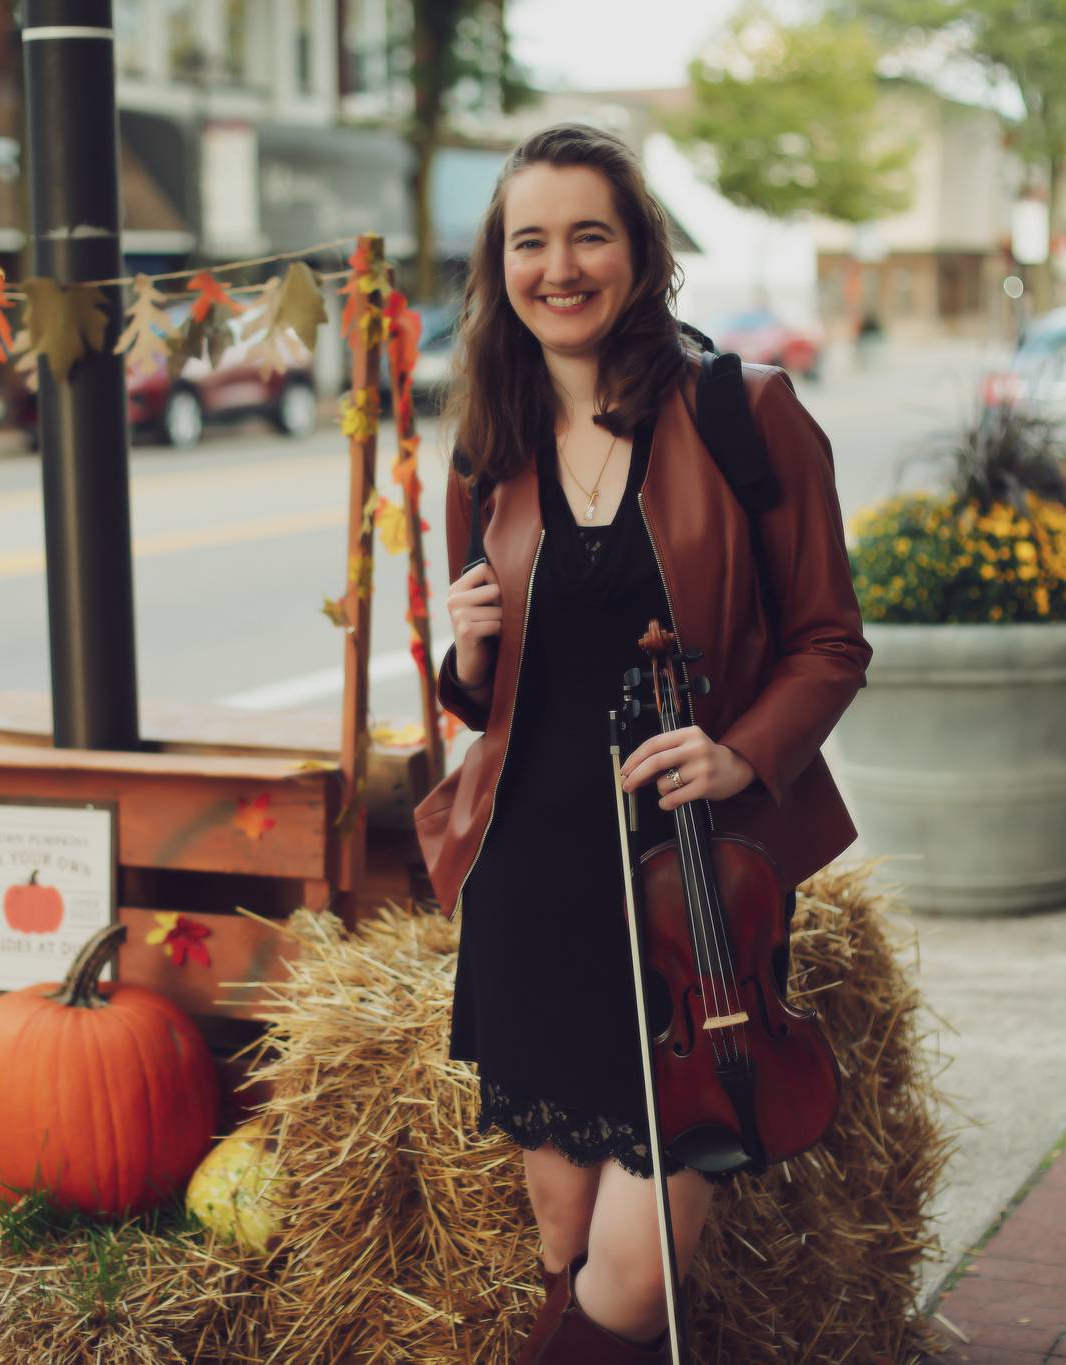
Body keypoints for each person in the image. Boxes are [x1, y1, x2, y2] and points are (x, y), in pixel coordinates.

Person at [412, 123, 871, 1364]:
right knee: (564, 1235)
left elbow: (831, 642)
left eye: (587, 235)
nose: (557, 267)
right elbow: (488, 704)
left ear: (639, 253)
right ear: (497, 266)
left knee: (628, 1273)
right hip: (531, 893)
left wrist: (741, 753)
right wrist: (462, 655)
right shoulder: (485, 451)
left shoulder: (745, 415)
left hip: (687, 903)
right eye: (529, 241)